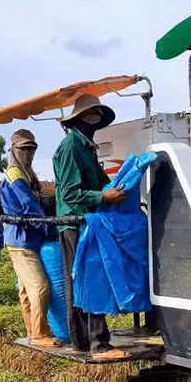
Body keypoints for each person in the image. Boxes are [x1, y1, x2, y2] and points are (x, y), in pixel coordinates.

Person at [53, 94, 128, 360]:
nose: (96, 120)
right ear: (81, 119)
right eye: (92, 115)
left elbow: (97, 181)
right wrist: (103, 197)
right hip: (76, 222)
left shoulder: (85, 146)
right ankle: (99, 344)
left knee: (80, 280)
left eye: (99, 115)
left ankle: (82, 341)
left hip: (83, 221)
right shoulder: (71, 147)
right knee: (89, 279)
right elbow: (72, 194)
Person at [2, 129, 60, 348]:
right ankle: (39, 334)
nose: (28, 153)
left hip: (27, 238)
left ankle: (31, 330)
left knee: (26, 289)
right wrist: (48, 226)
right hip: (21, 240)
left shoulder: (28, 173)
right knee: (40, 287)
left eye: (32, 149)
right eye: (24, 149)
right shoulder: (16, 174)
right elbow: (29, 205)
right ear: (14, 150)